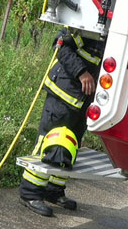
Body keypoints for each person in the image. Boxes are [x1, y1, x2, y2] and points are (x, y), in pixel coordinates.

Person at [18, 28, 105, 216]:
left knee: (70, 146)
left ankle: (54, 190)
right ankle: (30, 193)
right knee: (47, 142)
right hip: (63, 94)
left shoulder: (110, 32)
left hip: (82, 102)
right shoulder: (87, 25)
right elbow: (60, 45)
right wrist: (81, 72)